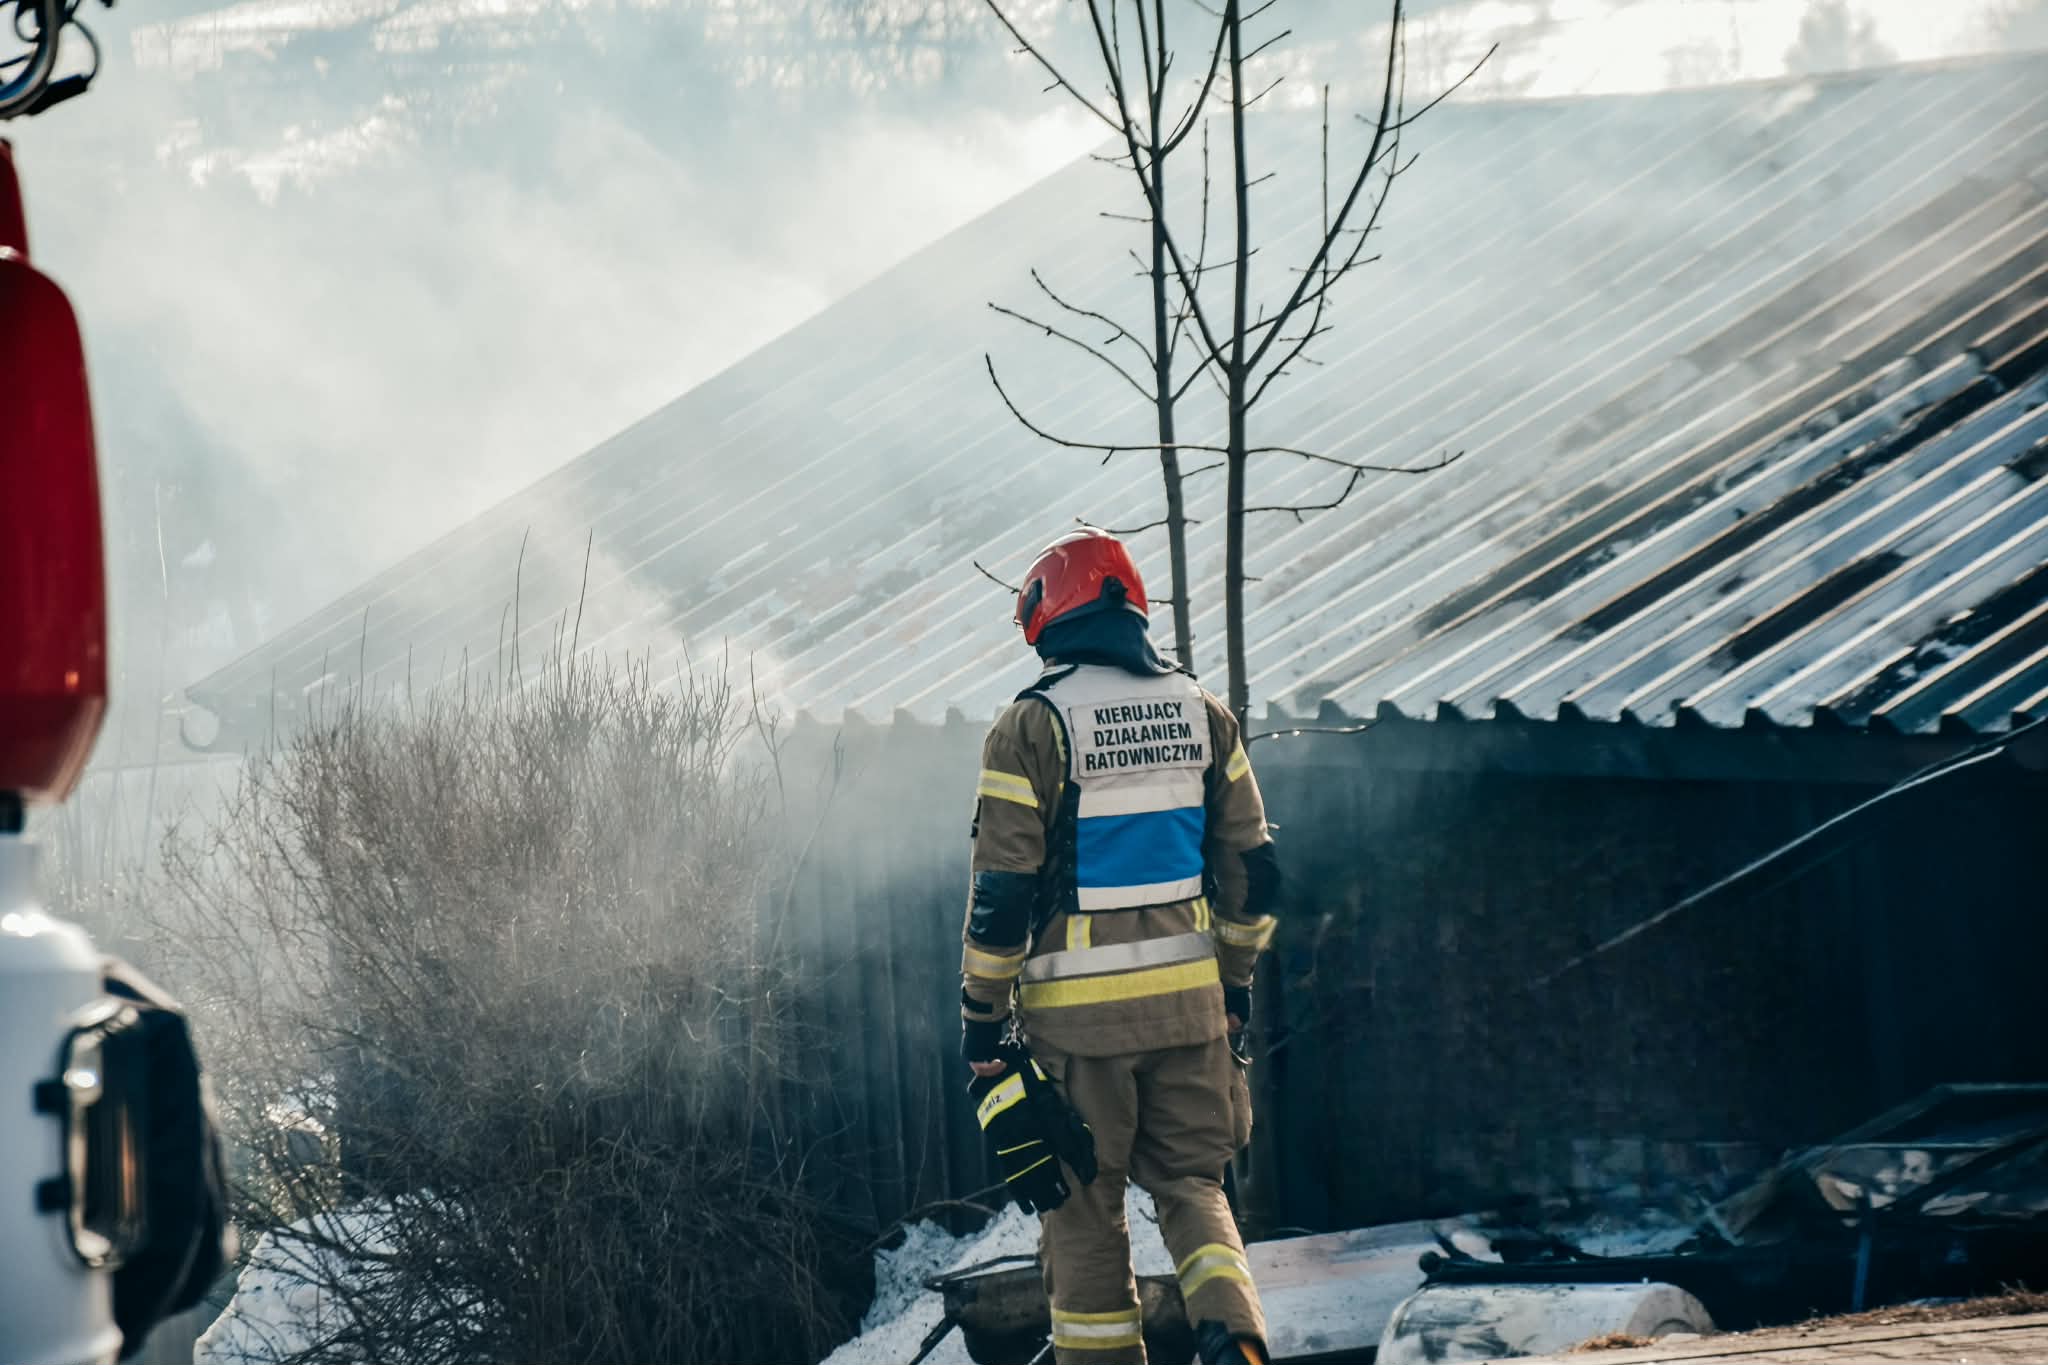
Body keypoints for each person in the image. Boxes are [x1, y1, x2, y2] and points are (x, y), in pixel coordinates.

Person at [959, 528, 1281, 1365]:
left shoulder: (1032, 726)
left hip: (1080, 1035)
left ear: (1050, 617)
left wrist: (982, 1022)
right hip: (1191, 1014)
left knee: (1084, 1215)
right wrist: (1234, 987)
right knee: (1193, 1189)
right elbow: (1254, 875)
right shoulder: (1205, 714)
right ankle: (1234, 1337)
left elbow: (1002, 898)